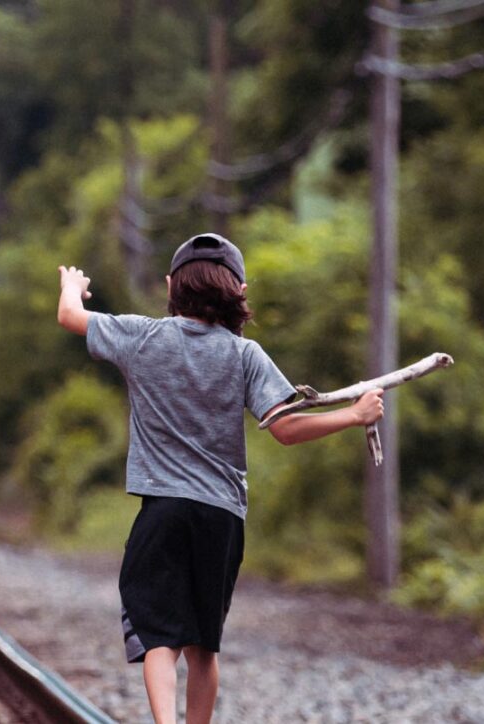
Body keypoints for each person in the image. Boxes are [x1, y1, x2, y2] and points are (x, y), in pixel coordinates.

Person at [55, 233, 385, 724]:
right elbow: (287, 429)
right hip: (221, 517)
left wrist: (72, 285)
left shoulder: (142, 335)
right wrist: (354, 415)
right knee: (203, 647)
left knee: (157, 637)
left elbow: (70, 317)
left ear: (171, 286)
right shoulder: (245, 355)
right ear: (239, 291)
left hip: (162, 511)